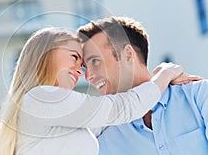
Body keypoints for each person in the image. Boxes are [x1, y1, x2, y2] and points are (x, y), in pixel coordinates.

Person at [0, 27, 188, 155]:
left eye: (83, 64)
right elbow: (122, 109)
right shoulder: (42, 97)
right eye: (74, 57)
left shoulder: (51, 112)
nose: (81, 71)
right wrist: (166, 73)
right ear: (47, 53)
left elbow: (108, 119)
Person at [77, 16, 207, 155]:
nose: (88, 76)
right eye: (85, 67)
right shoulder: (102, 139)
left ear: (127, 54)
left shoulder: (198, 95)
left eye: (95, 61)